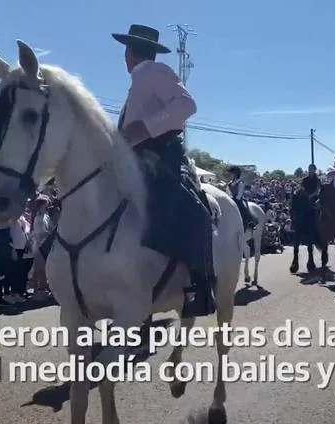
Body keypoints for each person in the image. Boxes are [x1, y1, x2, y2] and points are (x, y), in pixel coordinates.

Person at [112, 24, 214, 318]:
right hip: (133, 161)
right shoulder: (138, 81)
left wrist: (144, 129)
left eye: (126, 52)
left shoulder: (155, 72)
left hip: (159, 157)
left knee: (195, 209)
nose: (125, 57)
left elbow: (186, 105)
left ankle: (200, 284)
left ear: (130, 52)